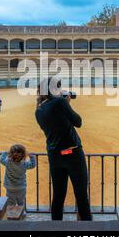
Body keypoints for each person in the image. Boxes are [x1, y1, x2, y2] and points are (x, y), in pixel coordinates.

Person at [35, 78, 92, 221]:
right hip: (72, 154)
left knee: (58, 196)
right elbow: (78, 122)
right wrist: (66, 104)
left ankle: (56, 227)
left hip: (55, 156)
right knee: (81, 196)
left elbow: (55, 126)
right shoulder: (60, 102)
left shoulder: (38, 110)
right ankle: (89, 228)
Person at [0, 144, 36, 209]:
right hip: (21, 187)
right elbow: (33, 165)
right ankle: (22, 213)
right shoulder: (24, 164)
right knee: (21, 202)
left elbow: (1, 159)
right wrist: (31, 156)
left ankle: (11, 214)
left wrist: (5, 153)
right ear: (23, 155)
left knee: (11, 203)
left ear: (11, 154)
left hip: (9, 187)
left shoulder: (8, 162)